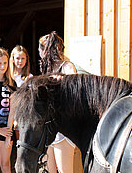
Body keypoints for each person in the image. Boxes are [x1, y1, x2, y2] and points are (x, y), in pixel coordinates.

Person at [39, 31, 77, 173]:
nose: (39, 52)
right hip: (49, 126)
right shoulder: (47, 69)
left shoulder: (67, 67)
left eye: (40, 48)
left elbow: (75, 93)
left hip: (63, 126)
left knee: (64, 171)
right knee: (49, 170)